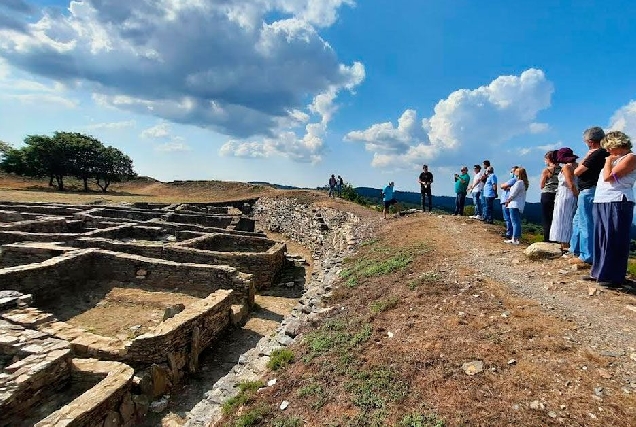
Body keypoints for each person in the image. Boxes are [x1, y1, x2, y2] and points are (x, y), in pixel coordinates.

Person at [584, 131, 636, 287]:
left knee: (615, 238)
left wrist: (608, 162)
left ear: (617, 145)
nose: (607, 151)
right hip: (603, 200)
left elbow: (609, 178)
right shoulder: (615, 158)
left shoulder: (631, 158)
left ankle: (613, 276)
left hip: (618, 200)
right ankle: (599, 271)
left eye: (609, 147)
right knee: (601, 238)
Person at [569, 127, 608, 266]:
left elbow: (578, 171)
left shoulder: (597, 153)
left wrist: (587, 155)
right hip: (588, 190)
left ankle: (587, 256)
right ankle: (576, 250)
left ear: (590, 141)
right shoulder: (602, 153)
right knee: (578, 221)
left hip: (589, 190)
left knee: (586, 223)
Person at [549, 148, 579, 253]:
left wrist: (576, 194)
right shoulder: (577, 166)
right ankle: (567, 244)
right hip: (569, 195)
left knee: (563, 219)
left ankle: (565, 244)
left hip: (565, 195)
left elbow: (570, 183)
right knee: (568, 218)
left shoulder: (567, 167)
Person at [540, 150, 561, 242]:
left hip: (547, 194)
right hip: (558, 194)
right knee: (556, 217)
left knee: (547, 218)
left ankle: (547, 238)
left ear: (549, 159)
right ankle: (556, 238)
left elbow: (541, 185)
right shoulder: (562, 169)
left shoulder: (547, 170)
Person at [504, 167, 529, 245]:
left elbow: (513, 193)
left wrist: (508, 200)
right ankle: (516, 238)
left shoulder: (519, 182)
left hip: (514, 204)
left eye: (517, 171)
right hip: (518, 204)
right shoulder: (523, 182)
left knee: (514, 222)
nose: (514, 172)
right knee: (516, 221)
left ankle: (514, 238)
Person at [500, 166, 518, 239]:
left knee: (508, 218)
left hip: (506, 200)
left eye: (512, 171)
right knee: (510, 218)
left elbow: (502, 186)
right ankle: (511, 233)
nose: (511, 173)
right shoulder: (515, 180)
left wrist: (504, 186)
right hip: (508, 200)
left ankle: (509, 233)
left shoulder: (513, 179)